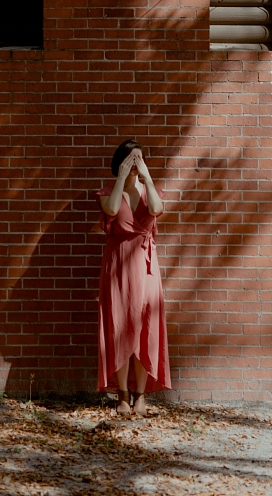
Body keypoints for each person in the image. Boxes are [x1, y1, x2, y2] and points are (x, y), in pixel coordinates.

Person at [96, 139, 169, 418]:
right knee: (120, 327)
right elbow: (112, 210)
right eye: (131, 159)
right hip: (118, 266)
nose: (136, 165)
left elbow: (155, 209)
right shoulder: (107, 191)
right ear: (121, 162)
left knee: (145, 328)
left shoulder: (152, 190)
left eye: (139, 159)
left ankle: (140, 393)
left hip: (147, 266)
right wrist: (121, 179)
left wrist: (147, 177)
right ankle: (122, 394)